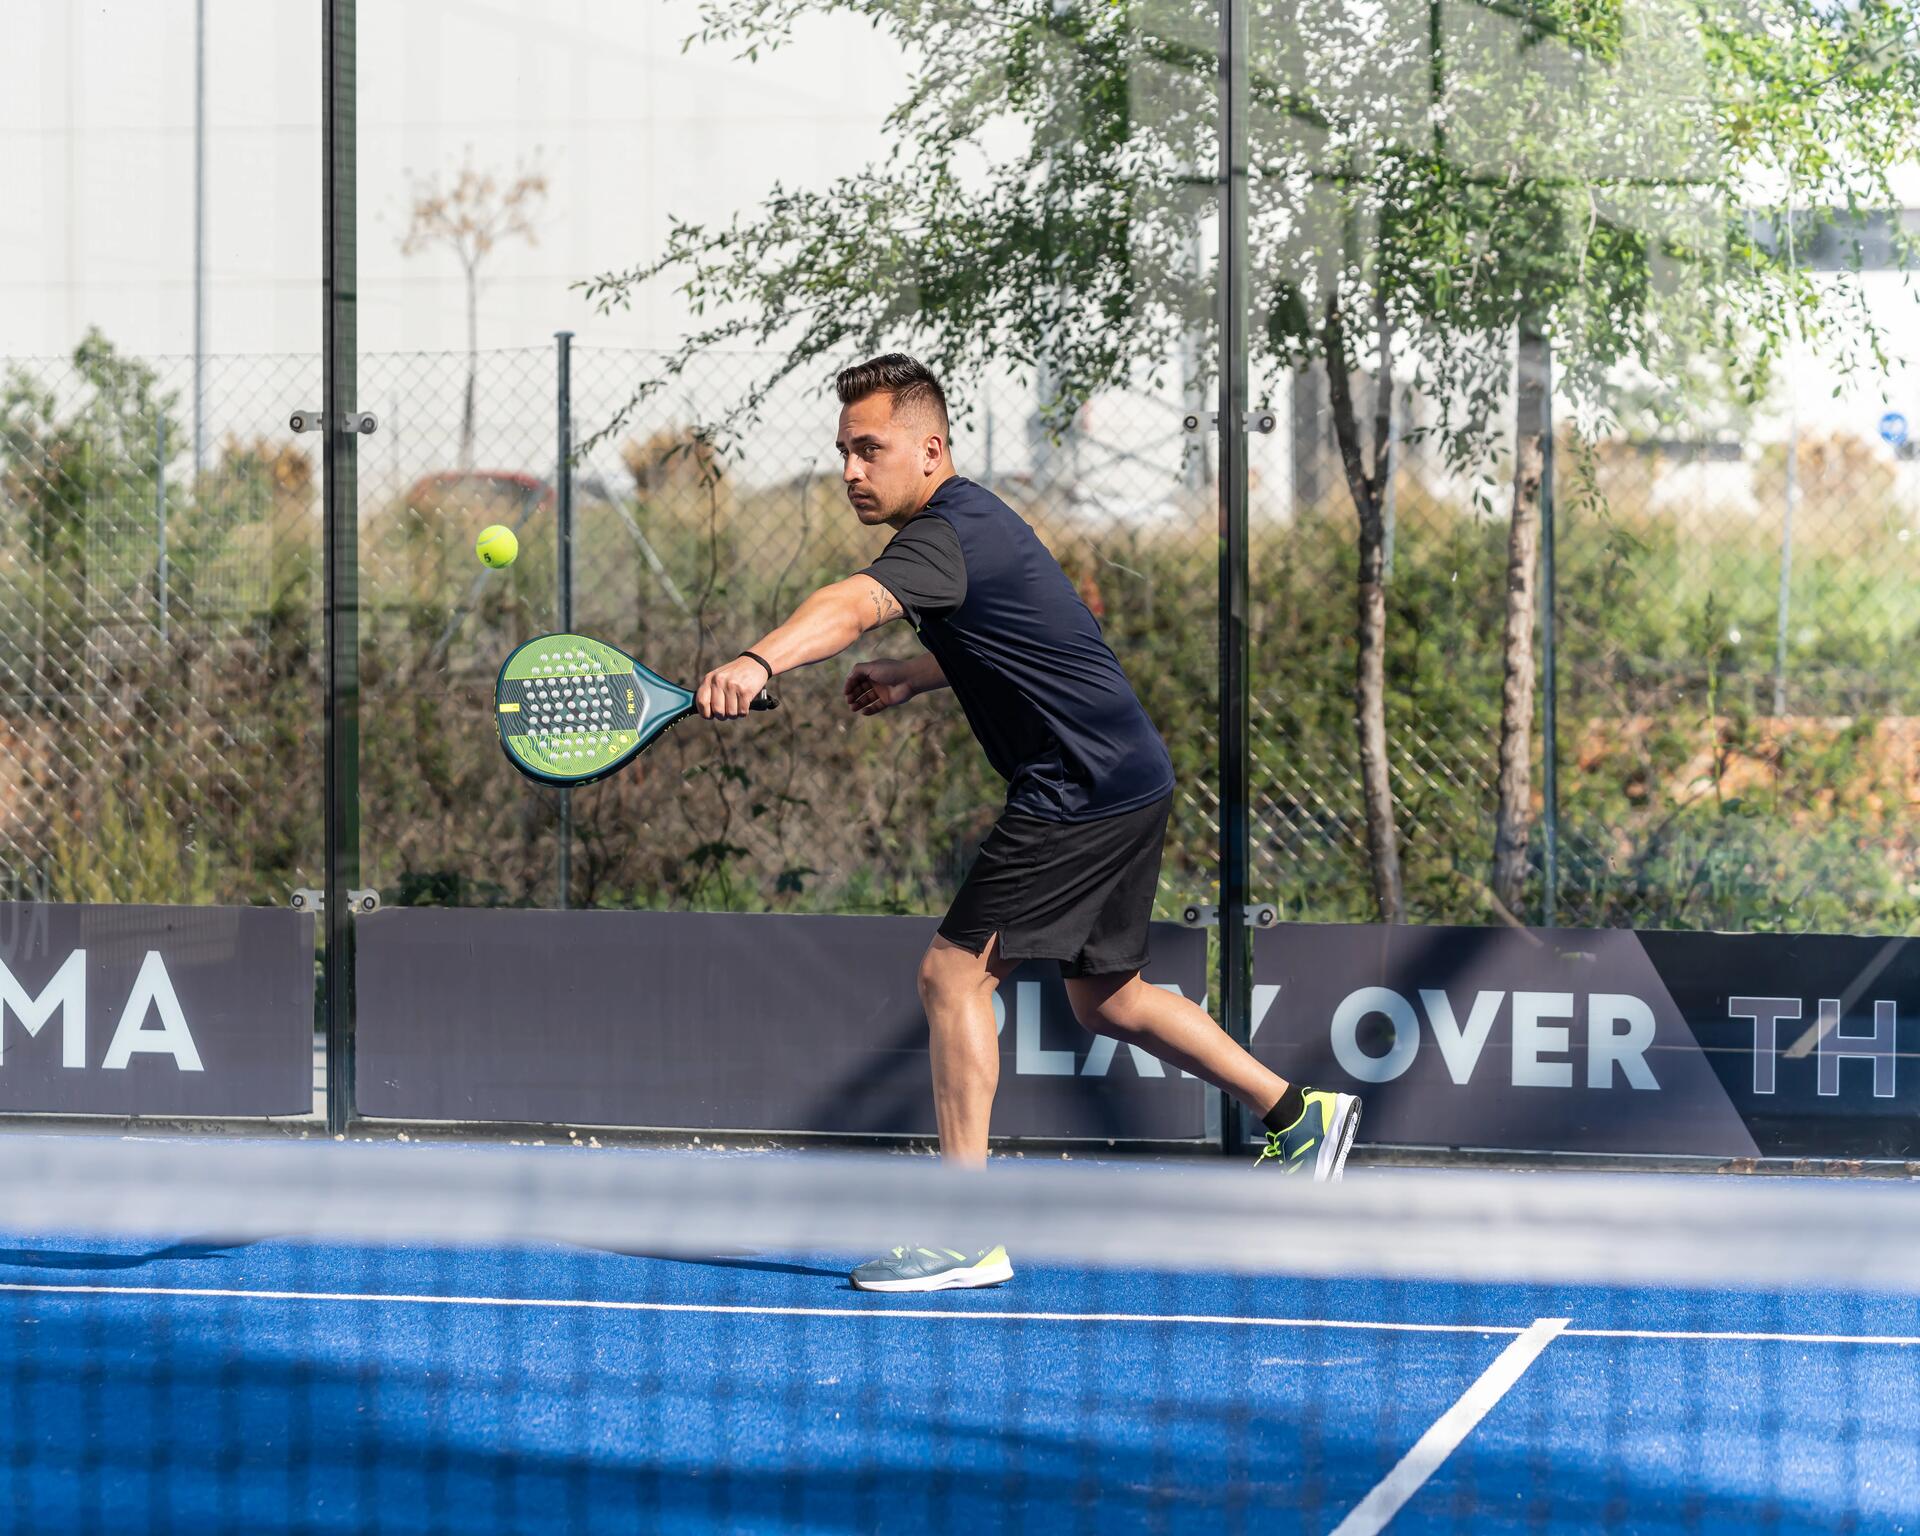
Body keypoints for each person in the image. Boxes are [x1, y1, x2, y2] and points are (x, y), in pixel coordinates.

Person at [696, 354, 1360, 1293]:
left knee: (952, 973)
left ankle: (964, 1234)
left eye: (870, 450)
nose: (851, 470)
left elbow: (849, 605)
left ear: (929, 449)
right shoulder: (977, 520)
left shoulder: (936, 540)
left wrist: (759, 661)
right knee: (1110, 999)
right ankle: (1298, 1114)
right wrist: (917, 672)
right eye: (844, 451)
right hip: (1128, 776)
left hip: (1077, 789)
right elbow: (1041, 634)